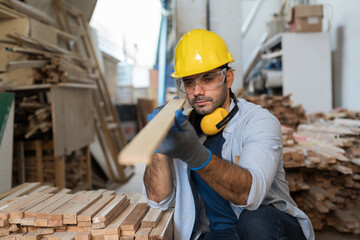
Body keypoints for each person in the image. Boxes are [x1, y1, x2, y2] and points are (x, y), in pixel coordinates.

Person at [143, 29, 314, 240]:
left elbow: (251, 196)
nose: (197, 91)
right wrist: (158, 146)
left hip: (268, 230)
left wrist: (195, 154)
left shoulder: (259, 121)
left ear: (228, 78)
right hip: (215, 234)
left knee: (256, 221)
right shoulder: (182, 126)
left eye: (207, 79)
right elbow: (158, 200)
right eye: (189, 82)